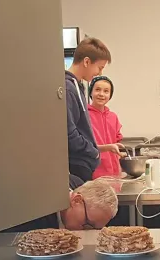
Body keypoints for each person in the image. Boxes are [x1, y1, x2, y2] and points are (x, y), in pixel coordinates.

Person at [65, 37, 112, 181]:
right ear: (86, 62)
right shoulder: (68, 89)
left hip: (85, 164)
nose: (99, 73)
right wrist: (92, 152)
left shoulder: (78, 86)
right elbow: (69, 133)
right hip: (78, 165)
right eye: (100, 67)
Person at [0, 179, 118, 232]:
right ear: (76, 200)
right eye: (88, 225)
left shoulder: (78, 185)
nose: (87, 232)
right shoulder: (35, 215)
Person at [88, 76, 127, 179]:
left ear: (110, 95)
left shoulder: (113, 117)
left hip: (113, 171)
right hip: (92, 172)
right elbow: (84, 144)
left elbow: (117, 140)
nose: (101, 94)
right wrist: (107, 147)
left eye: (106, 91)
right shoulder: (85, 115)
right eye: (97, 90)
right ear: (90, 92)